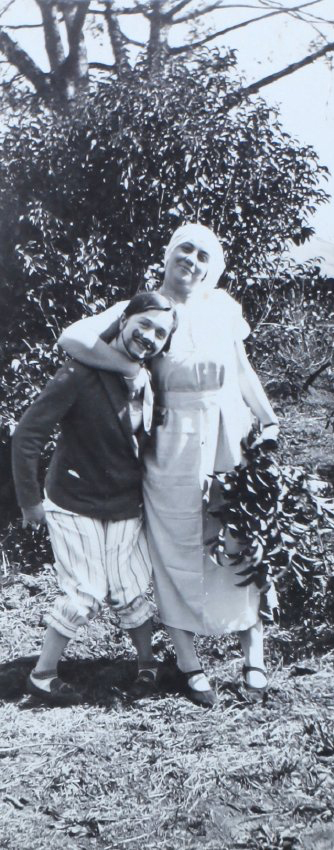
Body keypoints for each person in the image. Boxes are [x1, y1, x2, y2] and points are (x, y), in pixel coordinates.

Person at [58, 223, 279, 707]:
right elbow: (72, 338)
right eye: (185, 248)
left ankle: (254, 656)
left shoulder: (222, 307)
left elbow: (241, 370)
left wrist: (268, 419)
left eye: (203, 254)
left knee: (239, 540)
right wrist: (130, 368)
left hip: (229, 437)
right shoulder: (145, 306)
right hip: (173, 443)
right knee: (175, 545)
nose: (192, 260)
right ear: (168, 253)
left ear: (212, 265)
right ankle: (189, 663)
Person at [11, 292, 178, 706]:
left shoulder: (149, 377)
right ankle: (42, 675)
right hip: (73, 499)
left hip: (124, 501)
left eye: (161, 333)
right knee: (85, 592)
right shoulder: (79, 372)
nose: (150, 336)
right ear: (124, 320)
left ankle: (147, 666)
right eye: (145, 324)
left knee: (130, 589)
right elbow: (27, 435)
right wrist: (29, 501)